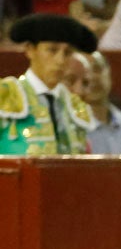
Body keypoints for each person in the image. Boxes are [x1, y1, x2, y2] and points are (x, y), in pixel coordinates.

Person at [0, 12, 95, 154]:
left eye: (68, 53)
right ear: (30, 50)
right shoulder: (5, 95)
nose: (60, 60)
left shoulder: (75, 106)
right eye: (52, 50)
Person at [63, 49, 121, 152]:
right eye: (85, 71)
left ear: (110, 73)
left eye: (97, 69)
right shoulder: (67, 129)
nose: (91, 77)